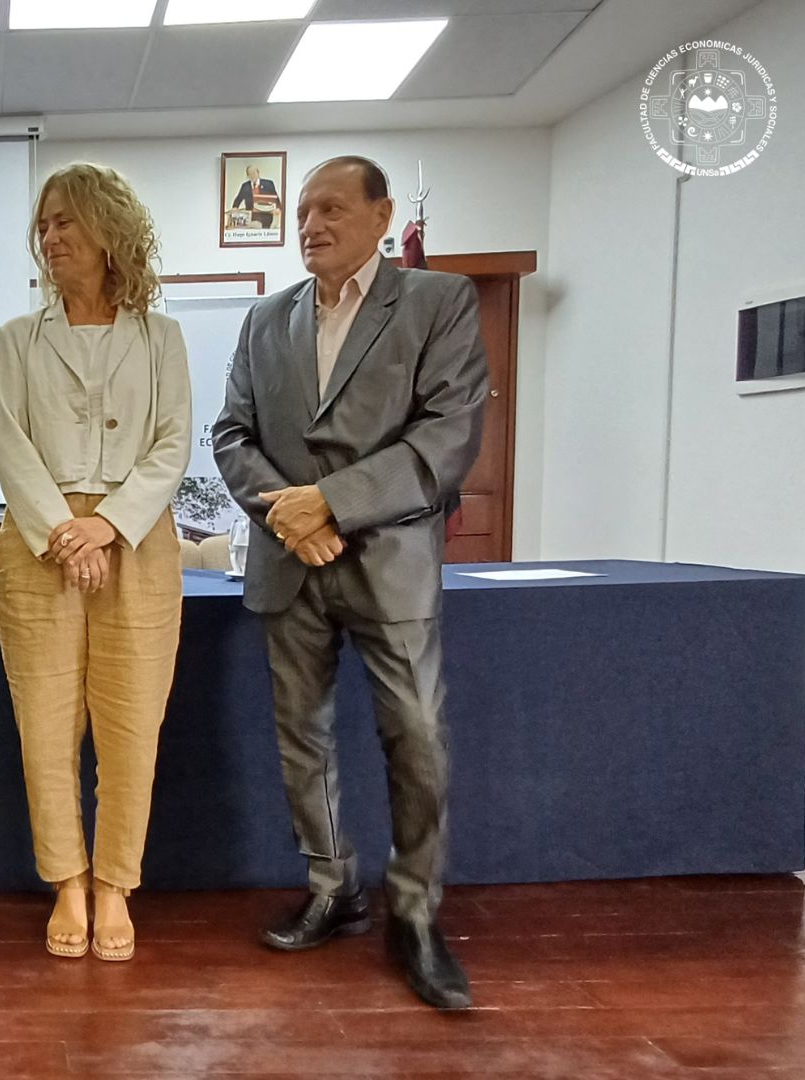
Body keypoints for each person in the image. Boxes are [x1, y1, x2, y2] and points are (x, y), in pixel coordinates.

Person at [210, 155, 489, 1010]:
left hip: (390, 563)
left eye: (331, 208)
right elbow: (232, 434)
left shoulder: (439, 302)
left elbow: (448, 436)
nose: (312, 225)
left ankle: (415, 913)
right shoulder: (267, 319)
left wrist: (331, 503)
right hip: (289, 563)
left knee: (418, 736)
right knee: (304, 738)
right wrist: (289, 515)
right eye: (303, 212)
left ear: (382, 216)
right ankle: (333, 889)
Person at [0, 163, 191, 962]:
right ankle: (67, 881)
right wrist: (64, 533)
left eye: (66, 220)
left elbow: (172, 442)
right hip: (39, 543)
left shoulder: (161, 337)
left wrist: (106, 526)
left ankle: (115, 884)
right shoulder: (18, 338)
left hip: (136, 541)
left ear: (110, 229)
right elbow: (10, 443)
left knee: (131, 726)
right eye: (44, 224)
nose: (51, 236)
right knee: (45, 729)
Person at [231, 164, 280, 229]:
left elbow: (276, 198)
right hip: (251, 217)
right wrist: (235, 207)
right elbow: (238, 199)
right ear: (247, 176)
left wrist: (278, 208)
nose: (252, 175)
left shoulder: (268, 184)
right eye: (250, 174)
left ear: (258, 173)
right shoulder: (245, 186)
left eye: (254, 173)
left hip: (266, 216)